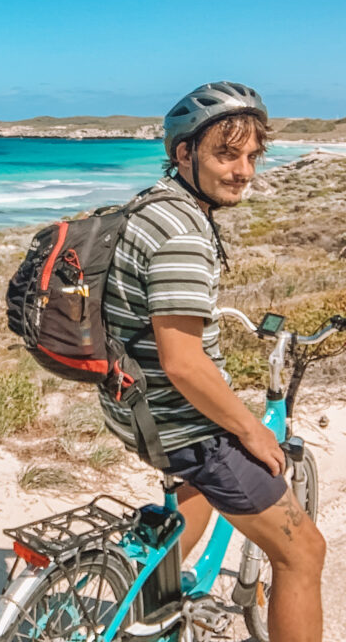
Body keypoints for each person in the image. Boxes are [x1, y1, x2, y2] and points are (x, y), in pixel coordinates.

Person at [101, 81, 325, 641]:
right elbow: (182, 362)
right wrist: (250, 429)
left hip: (133, 405)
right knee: (304, 555)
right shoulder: (182, 231)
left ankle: (150, 616)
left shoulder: (151, 206)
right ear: (184, 153)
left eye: (252, 156)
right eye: (226, 154)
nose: (244, 171)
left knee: (191, 499)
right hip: (182, 422)